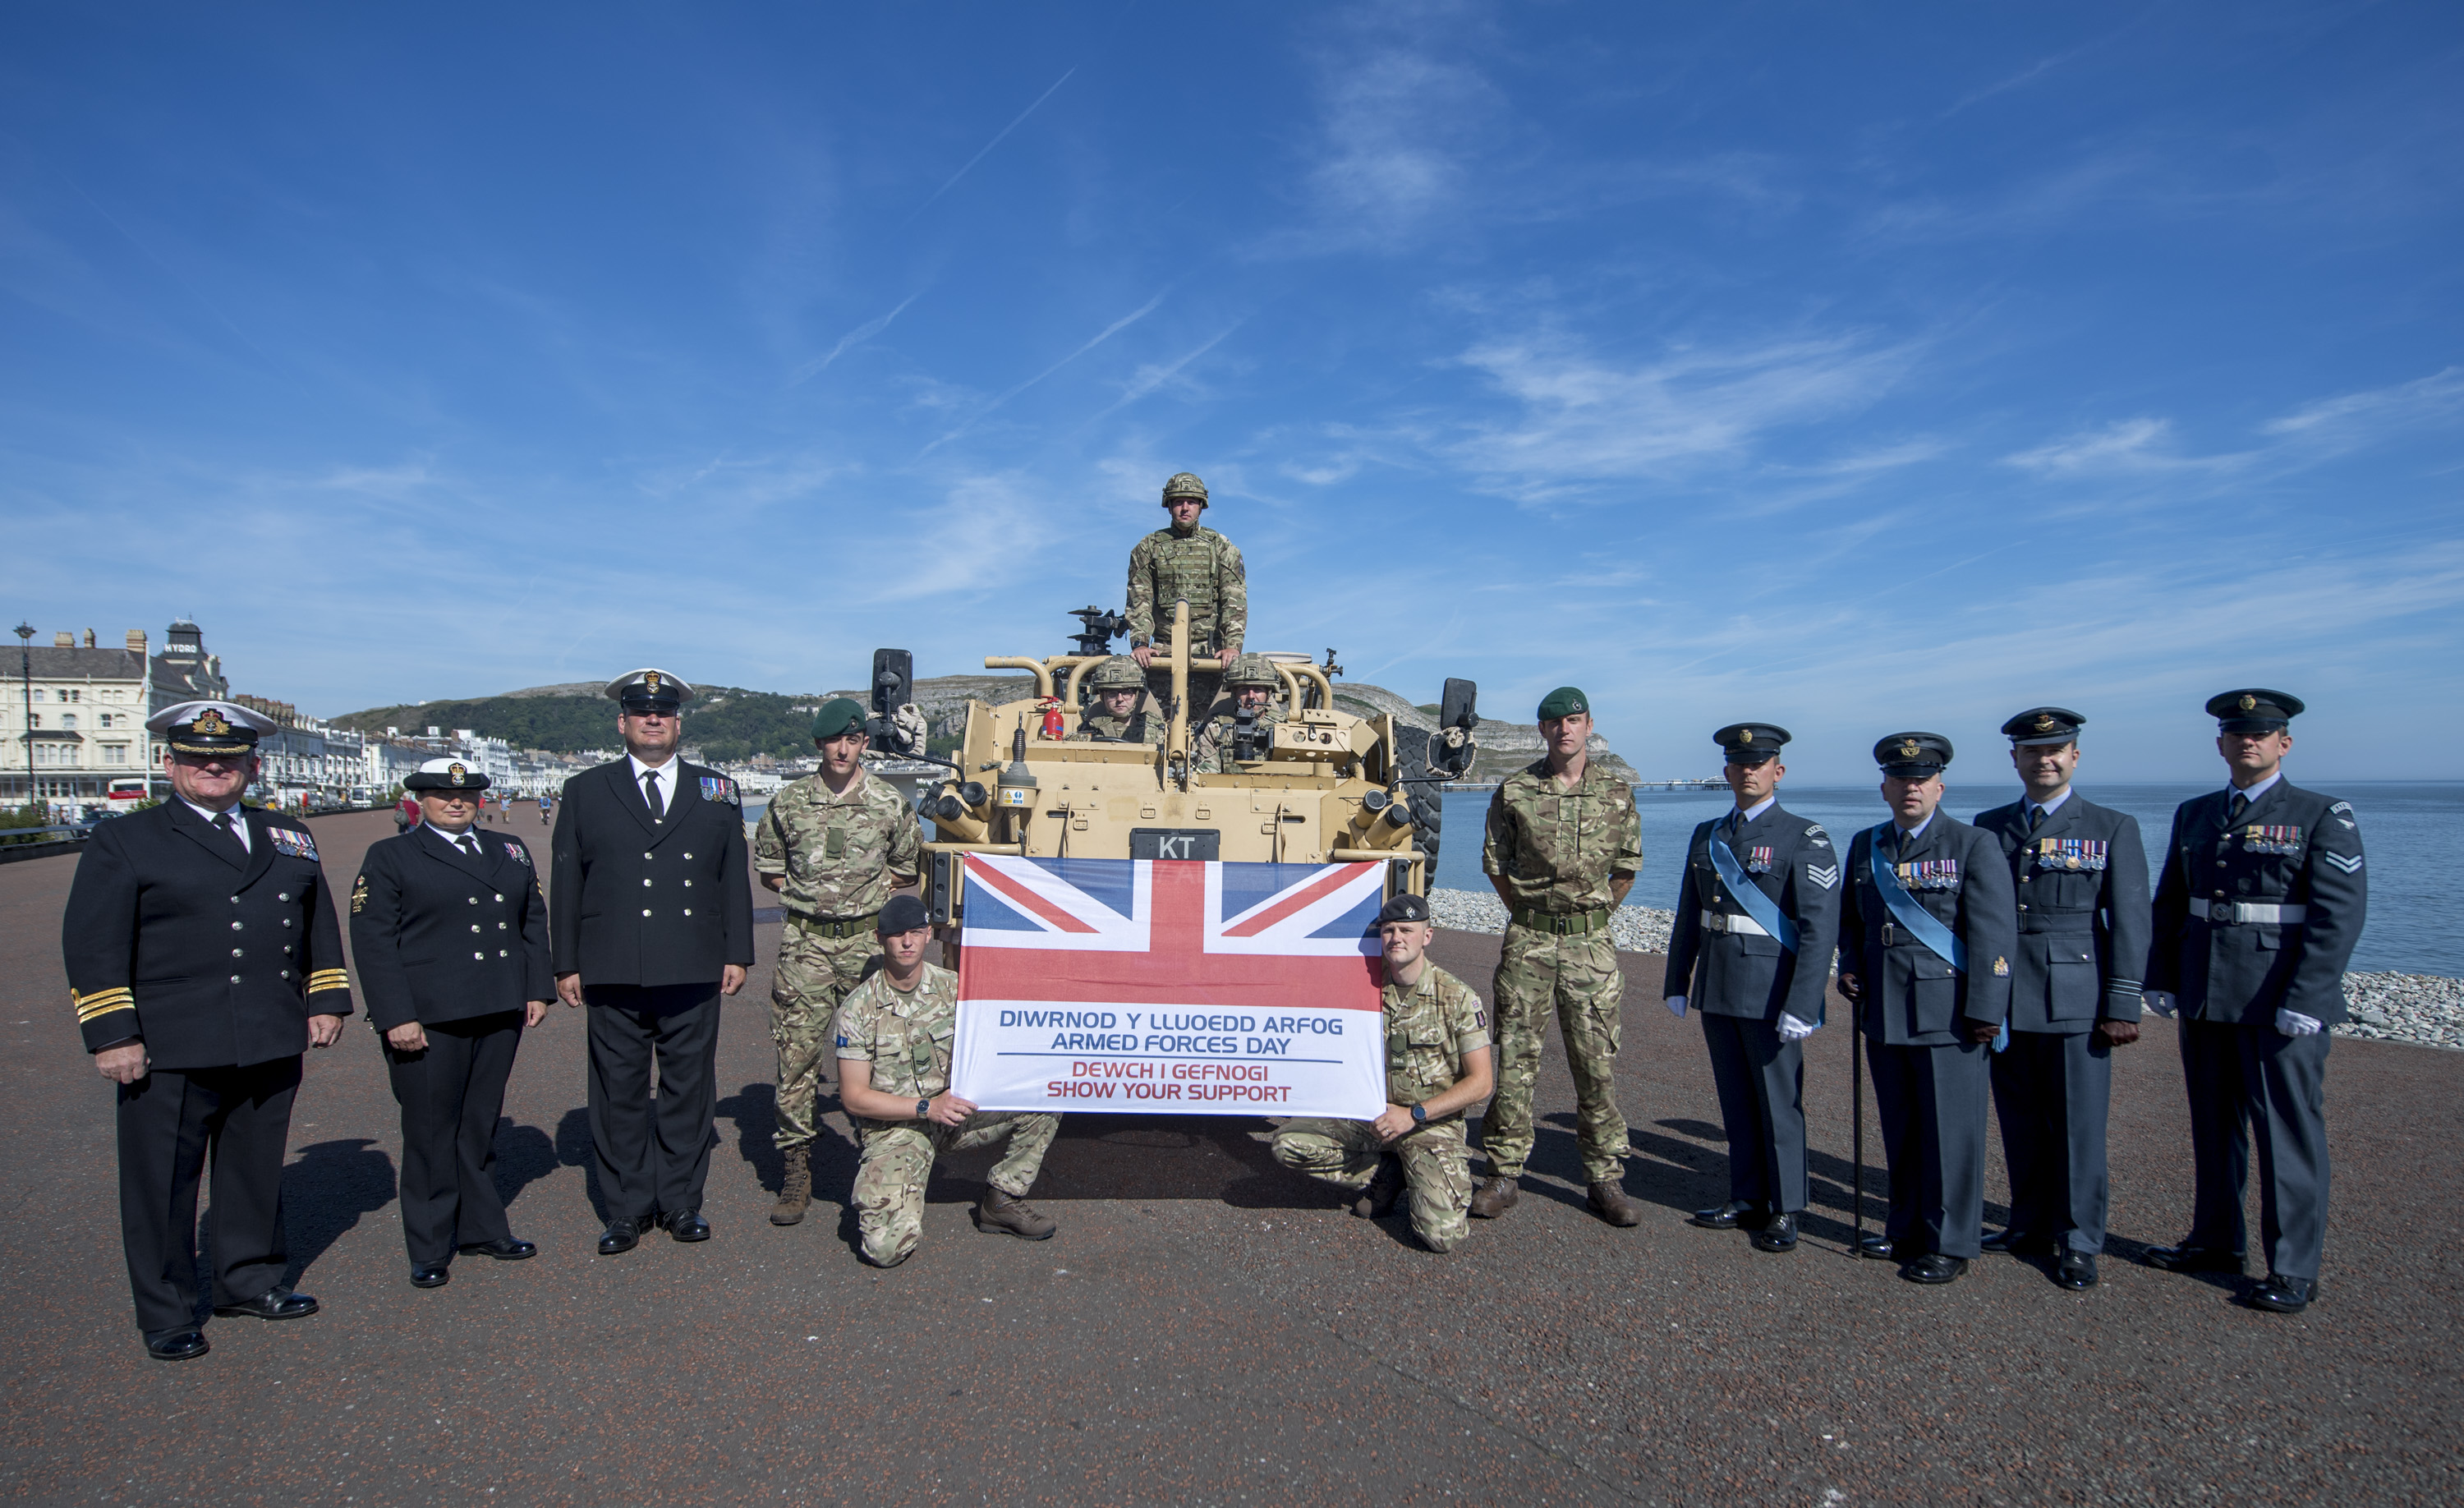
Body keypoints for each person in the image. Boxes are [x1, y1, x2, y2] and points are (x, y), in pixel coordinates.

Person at [61, 700, 353, 1360]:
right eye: (196, 758)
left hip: (268, 1030)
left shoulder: (288, 835)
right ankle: (165, 1309)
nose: (213, 767)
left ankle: (247, 1280)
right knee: (162, 1180)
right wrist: (112, 1033)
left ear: (253, 766)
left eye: (226, 759)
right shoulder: (126, 839)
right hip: (170, 1040)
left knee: (253, 1167)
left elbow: (316, 925)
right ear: (171, 764)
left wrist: (326, 999)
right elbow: (92, 943)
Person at [2140, 690, 2365, 1315]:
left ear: (2283, 744)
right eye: (2237, 735)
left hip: (2277, 997)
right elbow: (2171, 901)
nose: (2248, 743)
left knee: (2286, 1133)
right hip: (2207, 992)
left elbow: (2338, 916)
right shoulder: (2196, 814)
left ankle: (2293, 1266)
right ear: (2221, 745)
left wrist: (2311, 995)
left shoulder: (2323, 814)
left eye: (2261, 735)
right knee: (2214, 1129)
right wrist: (2161, 974)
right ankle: (2216, 1242)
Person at [549, 669, 753, 1254]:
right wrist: (566, 963)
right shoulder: (587, 790)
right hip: (612, 965)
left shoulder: (717, 789)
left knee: (690, 1092)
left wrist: (737, 950)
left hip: (692, 964)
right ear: (623, 723)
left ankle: (682, 1202)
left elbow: (729, 878)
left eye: (662, 712)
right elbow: (567, 881)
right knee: (618, 1092)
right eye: (641, 712)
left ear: (679, 724)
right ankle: (627, 1209)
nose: (653, 719)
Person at [350, 758, 554, 1289]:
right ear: (419, 799)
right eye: (441, 794)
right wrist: (396, 1016)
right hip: (428, 1016)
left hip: (497, 1006)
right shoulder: (391, 855)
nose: (456, 801)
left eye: (466, 794)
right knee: (431, 1130)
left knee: (480, 1122)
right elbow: (373, 943)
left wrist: (536, 988)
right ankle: (431, 1243)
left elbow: (531, 919)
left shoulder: (508, 849)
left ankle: (483, 1228)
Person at [1972, 708, 2150, 1291]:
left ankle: (2078, 1239)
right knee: (2019, 1120)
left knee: (2077, 1126)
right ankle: (2027, 1224)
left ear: (2075, 756)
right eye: (2032, 751)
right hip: (2004, 997)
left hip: (2076, 995)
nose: (2043, 760)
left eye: (2056, 750)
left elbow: (2130, 921)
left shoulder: (2110, 825)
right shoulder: (1988, 825)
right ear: (2015, 759)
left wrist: (2124, 1002)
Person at [1837, 733, 2016, 1285]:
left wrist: (1988, 1008)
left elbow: (1993, 933)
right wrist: (1849, 966)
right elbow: (1853, 919)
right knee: (1904, 1128)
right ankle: (1906, 1227)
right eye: (1900, 779)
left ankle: (1952, 1241)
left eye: (1921, 779)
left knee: (1951, 1135)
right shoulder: (1868, 846)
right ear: (1885, 787)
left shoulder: (1973, 843)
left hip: (1950, 1014)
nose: (1910, 787)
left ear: (1940, 785)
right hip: (1887, 1011)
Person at [1664, 723, 1841, 1255]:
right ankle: (1746, 1197)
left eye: (1758, 763)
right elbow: (1689, 914)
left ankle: (1787, 1207)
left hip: (1771, 993)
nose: (1748, 771)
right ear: (1726, 772)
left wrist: (1804, 1002)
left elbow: (1818, 930)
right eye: (1739, 763)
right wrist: (1678, 979)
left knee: (1778, 1105)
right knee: (1737, 1102)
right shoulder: (1708, 835)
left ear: (1777, 771)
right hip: (1719, 986)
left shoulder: (1804, 837)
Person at [1473, 686, 1644, 1226]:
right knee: (1517, 1060)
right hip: (1529, 943)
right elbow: (1497, 866)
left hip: (1591, 948)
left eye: (1573, 720)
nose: (1564, 730)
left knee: (1595, 1065)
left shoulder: (1617, 792)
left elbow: (1627, 868)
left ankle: (1603, 1178)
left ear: (1589, 725)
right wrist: (1533, 916)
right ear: (1542, 730)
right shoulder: (1516, 790)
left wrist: (1589, 920)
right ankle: (1503, 1173)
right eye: (1554, 723)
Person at [751, 697, 922, 1226]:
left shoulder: (889, 803)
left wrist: (856, 904)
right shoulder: (789, 801)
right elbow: (770, 869)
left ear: (865, 744)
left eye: (853, 741)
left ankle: (884, 1159)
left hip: (868, 948)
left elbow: (905, 869)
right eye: (834, 741)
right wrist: (818, 898)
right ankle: (797, 1166)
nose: (843, 749)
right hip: (805, 947)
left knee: (885, 1056)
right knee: (797, 1058)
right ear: (820, 745)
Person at [834, 895, 1060, 1267]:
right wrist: (926, 1107)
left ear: (928, 936)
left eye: (916, 932)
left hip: (956, 1114)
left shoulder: (955, 989)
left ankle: (1002, 1198)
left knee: (1044, 1097)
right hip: (898, 1129)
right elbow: (854, 1097)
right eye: (897, 934)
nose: (907, 942)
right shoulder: (859, 1010)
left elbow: (1001, 1035)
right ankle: (903, 1186)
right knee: (886, 1251)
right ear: (880, 938)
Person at [1270, 892, 1495, 1252]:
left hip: (1429, 1124)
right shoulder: (1364, 990)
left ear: (1428, 935)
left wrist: (1414, 1115)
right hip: (1371, 1117)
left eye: (1407, 929)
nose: (1396, 938)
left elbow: (1482, 1082)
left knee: (1440, 1237)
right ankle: (1382, 1173)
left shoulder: (1457, 998)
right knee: (1289, 1144)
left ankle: (1414, 1172)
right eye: (1388, 930)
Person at [1125, 471, 1245, 719]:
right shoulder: (1149, 547)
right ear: (1169, 506)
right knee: (1155, 724)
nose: (1184, 508)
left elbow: (1234, 599)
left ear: (1201, 506)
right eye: (1178, 502)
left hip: (1211, 654)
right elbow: (1140, 598)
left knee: (1215, 724)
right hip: (1162, 651)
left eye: (1191, 502)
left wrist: (1232, 647)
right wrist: (1140, 644)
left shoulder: (1221, 546)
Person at [1189, 654, 1287, 775]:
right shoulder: (1216, 730)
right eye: (1244, 689)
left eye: (1258, 689)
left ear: (1268, 693)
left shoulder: (1284, 730)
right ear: (1234, 693)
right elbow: (1208, 776)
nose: (1251, 696)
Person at [1071, 656, 1165, 746]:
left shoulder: (1159, 732)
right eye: (1112, 694)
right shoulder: (1088, 732)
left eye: (1127, 693)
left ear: (1137, 696)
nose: (1120, 699)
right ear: (1102, 697)